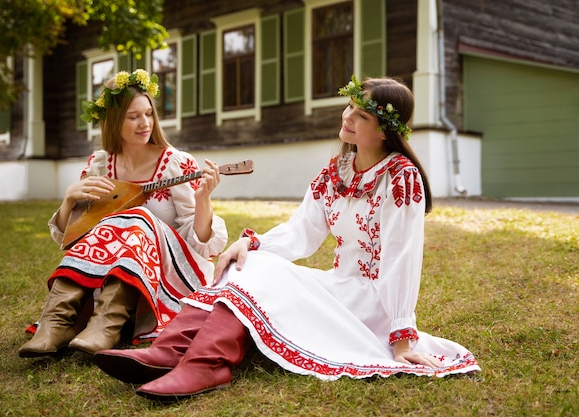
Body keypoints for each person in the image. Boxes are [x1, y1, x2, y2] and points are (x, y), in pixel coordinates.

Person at [92, 75, 480, 399]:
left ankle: (204, 366)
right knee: (248, 261)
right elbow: (302, 234)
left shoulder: (401, 178)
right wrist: (251, 242)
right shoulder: (338, 170)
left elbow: (401, 258)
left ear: (383, 131)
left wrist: (402, 338)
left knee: (255, 272)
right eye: (349, 106)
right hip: (338, 285)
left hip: (369, 301)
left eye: (360, 115)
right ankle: (168, 352)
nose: (347, 117)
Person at [18, 69, 228, 358]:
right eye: (134, 117)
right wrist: (68, 201)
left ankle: (107, 324)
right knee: (113, 223)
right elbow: (75, 237)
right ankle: (56, 323)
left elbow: (201, 243)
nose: (145, 123)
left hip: (170, 273)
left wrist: (203, 199)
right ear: (115, 121)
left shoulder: (176, 163)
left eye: (149, 114)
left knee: (137, 217)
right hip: (111, 272)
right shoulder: (100, 165)